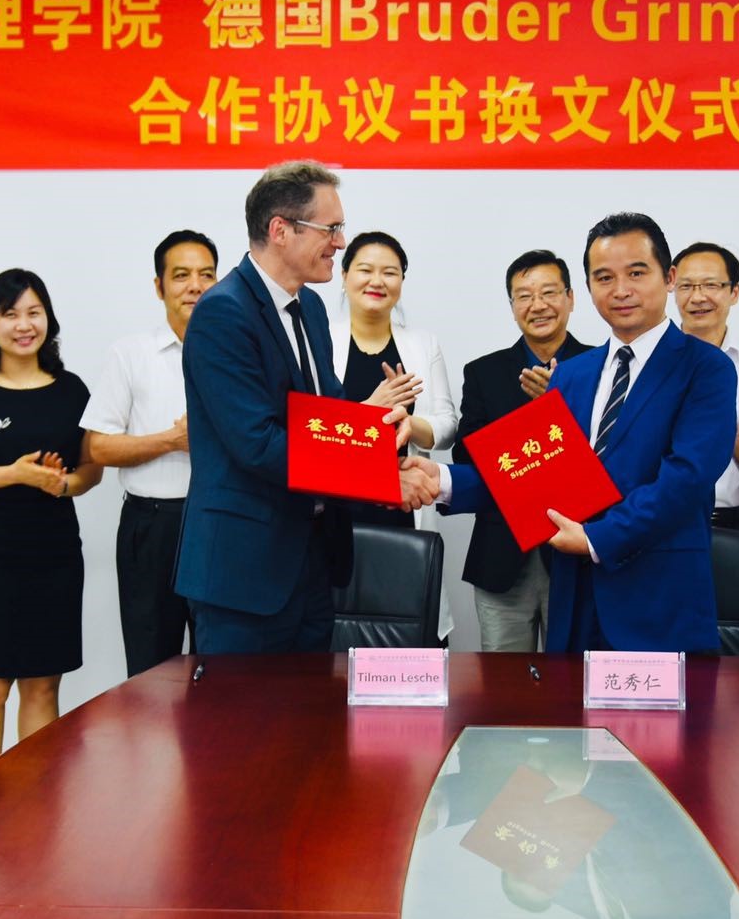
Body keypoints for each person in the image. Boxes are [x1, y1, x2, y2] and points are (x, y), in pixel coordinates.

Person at [406, 213, 735, 653]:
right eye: (604, 277)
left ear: (669, 277)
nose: (620, 290)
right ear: (589, 287)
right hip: (575, 597)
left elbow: (686, 479)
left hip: (658, 599)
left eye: (637, 273)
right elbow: (534, 472)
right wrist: (443, 480)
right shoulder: (572, 374)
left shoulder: (706, 367)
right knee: (566, 701)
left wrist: (598, 538)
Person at [174, 161, 421, 655]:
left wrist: (379, 448)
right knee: (243, 707)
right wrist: (377, 476)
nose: (340, 242)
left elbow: (326, 418)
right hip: (245, 573)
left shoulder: (309, 307)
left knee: (310, 705)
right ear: (280, 230)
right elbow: (259, 444)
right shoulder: (223, 312)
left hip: (312, 561)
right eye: (331, 228)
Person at [0, 269, 102, 772]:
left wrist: (62, 484)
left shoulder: (72, 391)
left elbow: (90, 469)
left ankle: (34, 804)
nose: (24, 325)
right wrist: (15, 474)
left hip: (54, 555)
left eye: (34, 313)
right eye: (10, 314)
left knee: (43, 685)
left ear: (48, 319)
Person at [81, 230, 216, 680]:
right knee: (150, 670)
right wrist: (172, 441)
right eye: (181, 276)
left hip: (219, 523)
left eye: (206, 275)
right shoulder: (130, 354)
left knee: (220, 666)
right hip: (153, 524)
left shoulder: (237, 352)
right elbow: (98, 446)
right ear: (159, 286)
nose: (195, 286)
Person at [455, 249, 592, 651]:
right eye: (525, 296)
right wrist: (536, 422)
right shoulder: (484, 372)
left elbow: (615, 457)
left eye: (549, 292)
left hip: (579, 555)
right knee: (503, 680)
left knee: (573, 677)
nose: (538, 305)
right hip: (502, 554)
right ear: (512, 306)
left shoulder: (600, 367)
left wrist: (559, 410)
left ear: (570, 298)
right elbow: (467, 457)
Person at [329, 230, 459, 642]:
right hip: (339, 503)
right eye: (365, 270)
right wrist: (371, 409)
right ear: (344, 275)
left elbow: (447, 425)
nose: (377, 281)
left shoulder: (422, 343)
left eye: (390, 272)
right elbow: (310, 428)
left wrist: (408, 422)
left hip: (403, 505)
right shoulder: (319, 338)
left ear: (402, 280)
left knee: (409, 628)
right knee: (335, 635)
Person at [671, 242, 739, 532]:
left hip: (733, 520)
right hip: (661, 516)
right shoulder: (648, 361)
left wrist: (719, 419)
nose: (698, 297)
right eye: (686, 286)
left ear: (734, 292)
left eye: (711, 285)